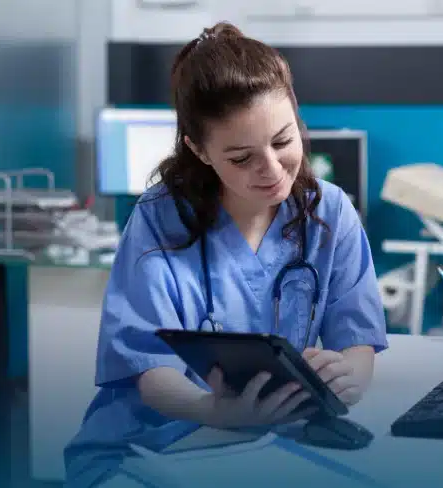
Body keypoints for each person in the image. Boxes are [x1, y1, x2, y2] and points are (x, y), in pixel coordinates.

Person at [64, 22, 388, 487]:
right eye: (241, 158)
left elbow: (357, 333)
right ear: (199, 149)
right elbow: (146, 363)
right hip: (148, 447)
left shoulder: (329, 211)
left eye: (283, 140)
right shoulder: (159, 219)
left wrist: (348, 379)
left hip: (270, 445)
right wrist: (211, 409)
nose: (273, 170)